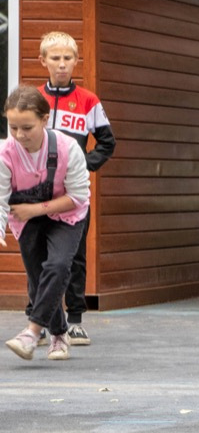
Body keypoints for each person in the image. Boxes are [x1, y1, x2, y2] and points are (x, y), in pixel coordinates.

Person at [1, 86, 90, 362]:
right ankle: (59, 334)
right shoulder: (5, 152)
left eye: (26, 127)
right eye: (13, 127)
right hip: (26, 220)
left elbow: (77, 196)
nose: (19, 135)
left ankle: (31, 332)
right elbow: (1, 197)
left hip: (67, 214)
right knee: (38, 278)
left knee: (59, 265)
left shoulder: (67, 148)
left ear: (44, 119)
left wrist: (34, 208)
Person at [37, 31, 115, 346]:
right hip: (38, 192)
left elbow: (108, 142)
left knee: (74, 256)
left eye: (67, 58)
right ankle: (40, 319)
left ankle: (76, 319)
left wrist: (85, 165)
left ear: (75, 61)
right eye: (55, 58)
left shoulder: (88, 100)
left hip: (74, 193)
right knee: (40, 258)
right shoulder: (32, 99)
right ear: (43, 61)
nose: (61, 64)